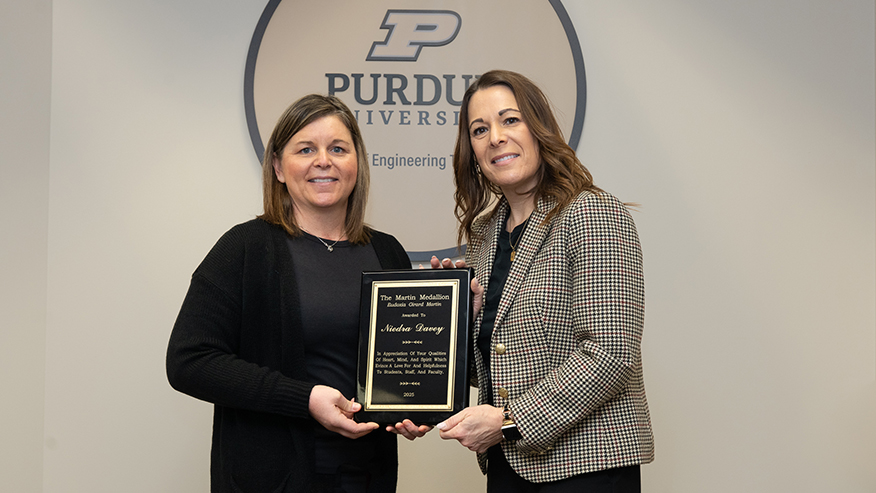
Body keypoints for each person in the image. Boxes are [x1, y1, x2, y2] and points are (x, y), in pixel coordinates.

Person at [166, 94, 427, 493]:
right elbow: (189, 360)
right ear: (278, 167)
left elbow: (404, 364)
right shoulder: (245, 248)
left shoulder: (387, 252)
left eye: (338, 149)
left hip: (365, 475)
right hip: (271, 481)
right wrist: (304, 399)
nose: (323, 161)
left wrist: (414, 405)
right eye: (305, 149)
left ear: (357, 163)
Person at [433, 70, 655, 492]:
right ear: (471, 150)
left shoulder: (590, 213)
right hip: (508, 466)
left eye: (510, 120)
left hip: (587, 468)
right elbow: (501, 367)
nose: (496, 137)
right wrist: (462, 322)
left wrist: (509, 421)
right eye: (480, 129)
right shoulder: (483, 236)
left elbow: (611, 353)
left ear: (539, 128)